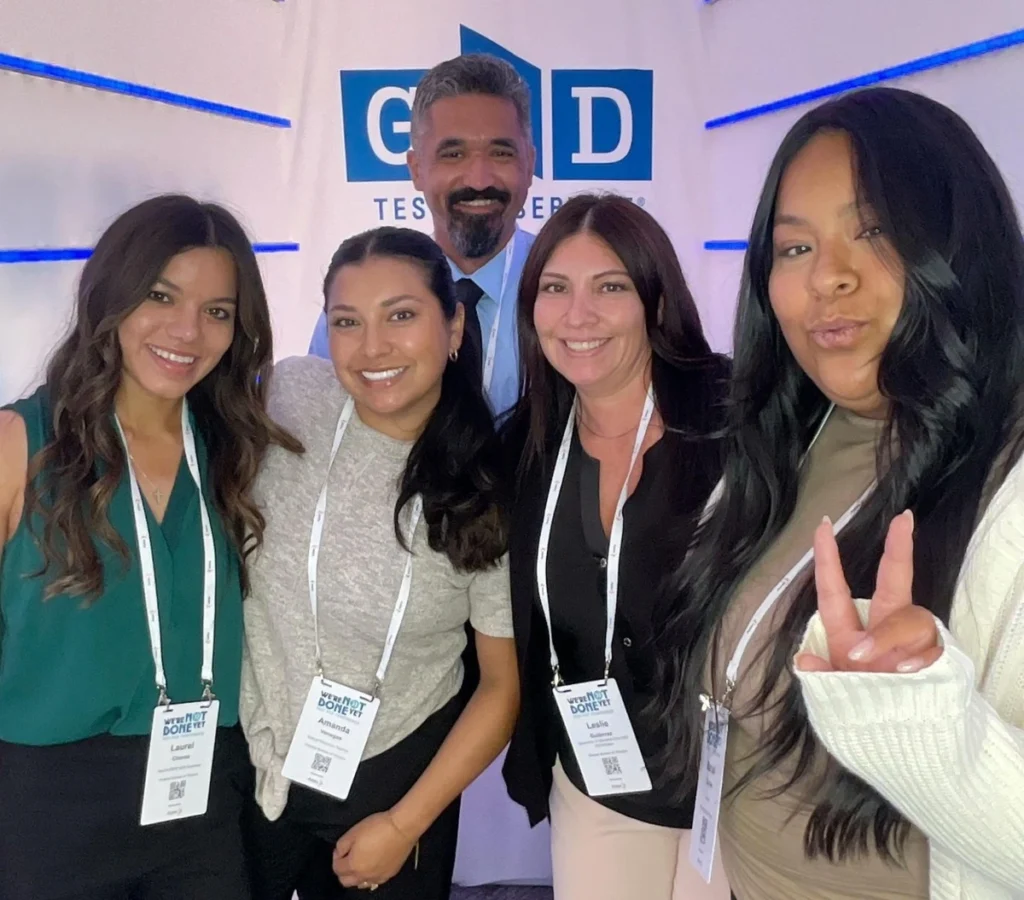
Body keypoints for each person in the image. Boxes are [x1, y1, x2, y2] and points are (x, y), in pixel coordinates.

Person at [650, 86, 1024, 899]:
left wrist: (920, 718)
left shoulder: (1012, 494)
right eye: (794, 249)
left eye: (874, 232)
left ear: (959, 244)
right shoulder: (793, 434)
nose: (829, 279)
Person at [0, 194, 300, 899]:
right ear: (112, 295)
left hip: (200, 794)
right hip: (47, 804)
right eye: (161, 296)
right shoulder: (21, 444)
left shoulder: (237, 452)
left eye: (218, 311)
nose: (187, 330)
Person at [241, 226, 520, 899]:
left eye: (401, 315)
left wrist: (406, 822)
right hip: (253, 764)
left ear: (453, 326)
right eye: (346, 321)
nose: (372, 348)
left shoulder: (487, 486)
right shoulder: (287, 398)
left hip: (393, 784)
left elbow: (500, 690)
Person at [500, 193, 731, 900]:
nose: (578, 317)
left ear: (656, 302)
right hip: (597, 778)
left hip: (733, 784)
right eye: (555, 289)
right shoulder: (522, 451)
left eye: (610, 288)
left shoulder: (740, 423)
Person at [309, 52, 536, 419]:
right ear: (416, 169)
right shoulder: (360, 296)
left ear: (530, 164)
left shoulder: (569, 294)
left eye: (500, 152)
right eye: (453, 154)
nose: (479, 179)